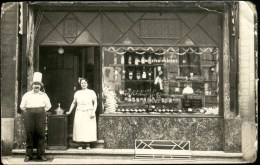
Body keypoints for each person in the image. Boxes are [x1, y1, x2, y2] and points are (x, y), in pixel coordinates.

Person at [20, 72, 52, 162]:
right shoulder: (27, 95)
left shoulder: (44, 95)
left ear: (40, 86)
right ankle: (28, 155)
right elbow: (22, 106)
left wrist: (41, 111)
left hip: (41, 114)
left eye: (38, 84)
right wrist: (30, 112)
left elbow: (49, 106)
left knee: (41, 134)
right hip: (29, 114)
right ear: (32, 85)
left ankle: (41, 154)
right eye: (35, 84)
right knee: (29, 133)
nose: (36, 86)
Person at [66, 77, 97, 150]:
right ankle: (80, 143)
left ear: (87, 84)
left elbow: (95, 103)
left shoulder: (91, 92)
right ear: (80, 84)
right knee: (80, 127)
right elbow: (74, 103)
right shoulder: (77, 93)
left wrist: (93, 112)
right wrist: (69, 111)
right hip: (79, 112)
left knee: (87, 128)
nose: (83, 84)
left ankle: (87, 144)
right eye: (82, 83)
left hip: (89, 112)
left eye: (85, 83)